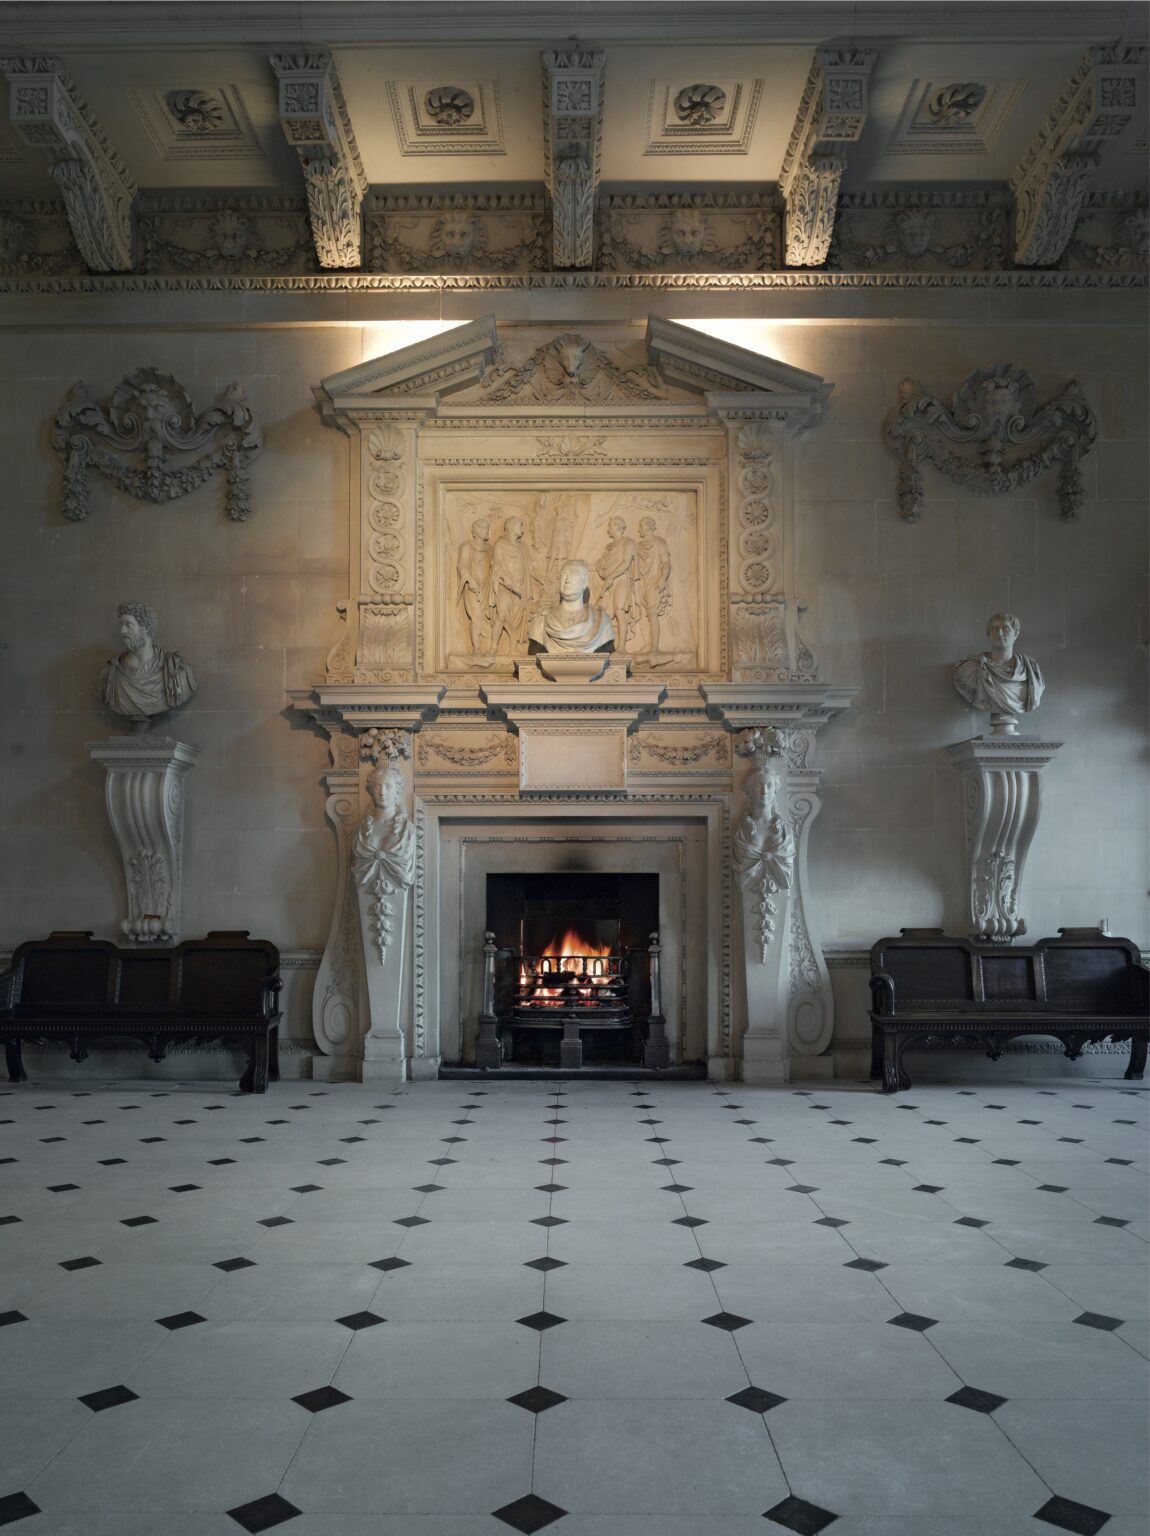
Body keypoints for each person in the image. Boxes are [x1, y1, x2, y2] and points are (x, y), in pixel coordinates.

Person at [98, 601, 196, 731]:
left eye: (128, 624)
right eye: (121, 624)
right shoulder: (109, 674)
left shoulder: (176, 671)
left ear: (146, 628)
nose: (122, 631)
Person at [953, 612, 1045, 736]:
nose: (1000, 634)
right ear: (988, 634)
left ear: (1016, 634)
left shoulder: (1031, 669)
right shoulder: (970, 668)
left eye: (1005, 629)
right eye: (995, 629)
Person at [527, 557, 615, 654]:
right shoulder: (541, 621)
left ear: (585, 582)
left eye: (573, 574)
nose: (567, 579)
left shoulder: (601, 620)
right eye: (563, 575)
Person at [486, 515, 532, 655]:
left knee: (516, 621)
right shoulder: (500, 545)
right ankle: (493, 648)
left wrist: (542, 579)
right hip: (505, 587)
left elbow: (530, 567)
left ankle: (513, 649)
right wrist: (509, 583)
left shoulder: (523, 547)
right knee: (502, 615)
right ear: (511, 527)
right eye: (520, 526)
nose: (522, 530)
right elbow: (497, 566)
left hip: (520, 590)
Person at [595, 516, 640, 650]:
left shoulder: (628, 542)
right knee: (599, 610)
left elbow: (625, 563)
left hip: (621, 580)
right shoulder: (608, 547)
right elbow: (602, 565)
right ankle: (599, 644)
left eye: (610, 526)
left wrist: (611, 577)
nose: (608, 529)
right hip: (609, 582)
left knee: (619, 610)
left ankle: (621, 647)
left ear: (617, 526)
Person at [635, 515, 673, 655]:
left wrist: (662, 578)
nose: (639, 529)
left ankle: (654, 648)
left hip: (654, 581)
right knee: (642, 614)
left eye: (641, 526)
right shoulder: (638, 546)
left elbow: (666, 563)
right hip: (641, 582)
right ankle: (646, 645)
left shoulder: (659, 542)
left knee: (652, 614)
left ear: (649, 527)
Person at [456, 516, 492, 653]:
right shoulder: (467, 546)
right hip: (473, 586)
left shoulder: (490, 548)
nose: (487, 530)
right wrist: (470, 580)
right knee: (476, 616)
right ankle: (476, 648)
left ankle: (488, 648)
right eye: (484, 528)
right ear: (476, 531)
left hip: (487, 587)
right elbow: (462, 565)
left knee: (486, 616)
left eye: (488, 528)